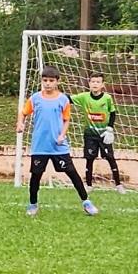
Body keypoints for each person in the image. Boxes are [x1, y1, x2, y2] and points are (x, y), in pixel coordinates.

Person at [16, 66, 98, 216]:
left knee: (72, 173)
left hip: (58, 146)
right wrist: (20, 123)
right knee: (36, 176)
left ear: (57, 82)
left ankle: (86, 202)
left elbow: (66, 120)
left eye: (51, 81)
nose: (47, 83)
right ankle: (33, 204)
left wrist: (62, 135)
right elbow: (23, 113)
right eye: (45, 80)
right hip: (40, 146)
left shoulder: (63, 100)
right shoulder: (35, 98)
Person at [71, 73, 126, 194]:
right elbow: (68, 98)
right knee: (89, 159)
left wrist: (110, 129)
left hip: (104, 134)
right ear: (89, 83)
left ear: (102, 85)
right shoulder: (84, 97)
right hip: (90, 134)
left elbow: (112, 113)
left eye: (98, 82)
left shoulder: (107, 98)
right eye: (93, 82)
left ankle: (118, 185)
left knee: (110, 158)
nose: (95, 84)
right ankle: (89, 185)